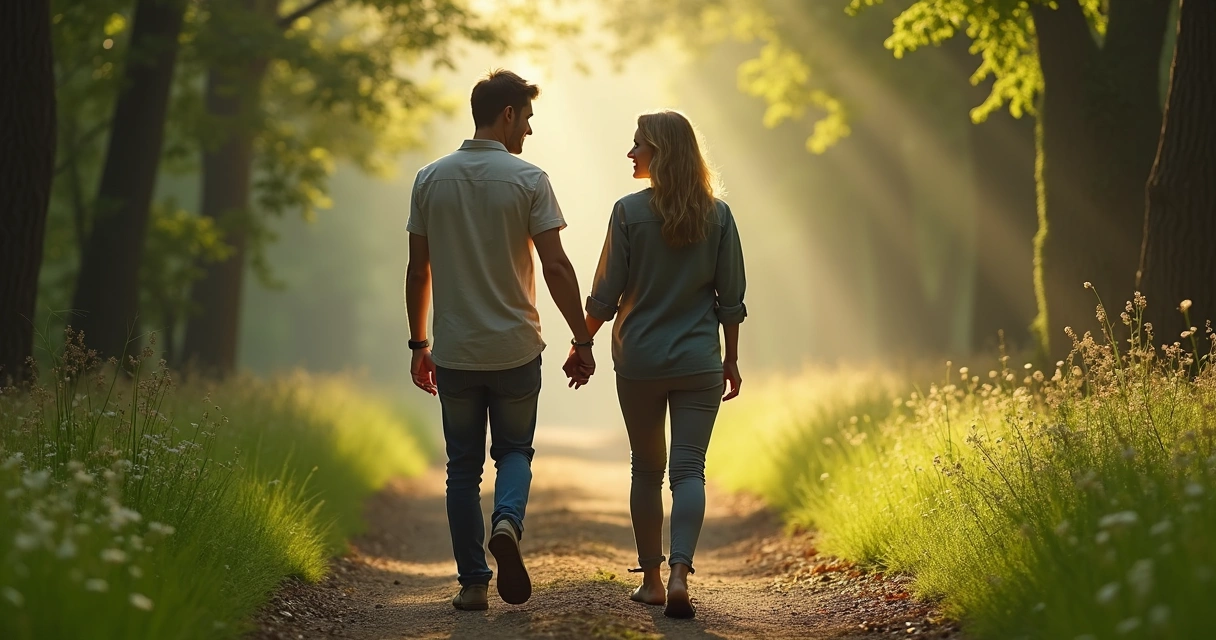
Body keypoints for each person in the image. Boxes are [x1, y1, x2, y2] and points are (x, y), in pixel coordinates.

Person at [405, 69, 597, 611]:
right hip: (515, 348)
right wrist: (581, 339)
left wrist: (419, 344)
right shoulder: (529, 179)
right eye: (528, 118)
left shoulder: (429, 179)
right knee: (514, 451)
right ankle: (508, 522)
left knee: (462, 468)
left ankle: (471, 582)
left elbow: (419, 272)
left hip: (457, 352)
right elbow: (556, 266)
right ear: (508, 114)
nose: (530, 131)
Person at [565, 110, 747, 619]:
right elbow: (730, 298)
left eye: (638, 144)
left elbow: (605, 295)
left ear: (660, 152)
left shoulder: (627, 212)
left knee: (646, 469)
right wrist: (730, 359)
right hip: (698, 361)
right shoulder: (719, 216)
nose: (630, 153)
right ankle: (681, 574)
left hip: (641, 361)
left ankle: (651, 581)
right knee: (689, 470)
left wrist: (582, 344)